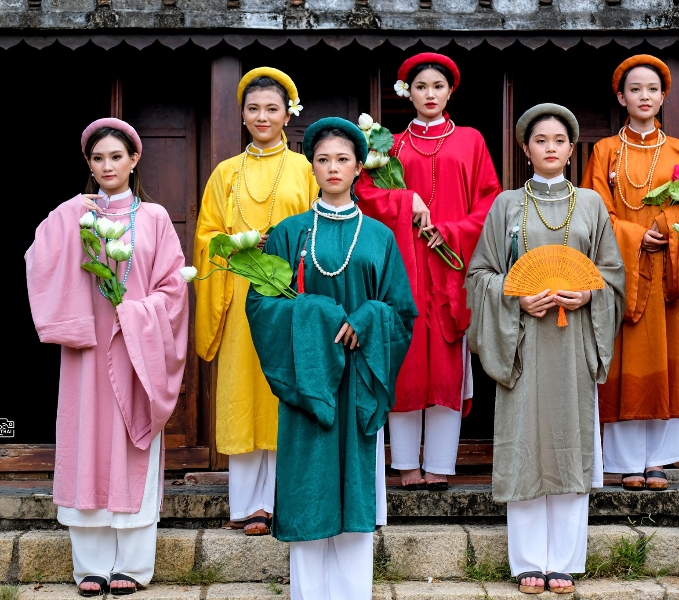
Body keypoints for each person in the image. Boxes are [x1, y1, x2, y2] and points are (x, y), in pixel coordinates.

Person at [245, 118, 417, 600]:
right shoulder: (289, 233)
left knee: (354, 481)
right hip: (308, 377)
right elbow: (261, 305)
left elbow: (401, 312)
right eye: (323, 159)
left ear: (360, 167)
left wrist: (368, 319)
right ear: (312, 167)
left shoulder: (380, 237)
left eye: (343, 159)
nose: (333, 167)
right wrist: (319, 316)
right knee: (308, 481)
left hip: (361, 376)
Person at [466, 104, 625, 595]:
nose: (550, 148)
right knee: (526, 442)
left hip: (574, 340)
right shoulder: (506, 205)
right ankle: (529, 560)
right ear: (525, 148)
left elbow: (613, 277)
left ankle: (565, 560)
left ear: (571, 149)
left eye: (559, 140)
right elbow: (480, 275)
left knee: (569, 442)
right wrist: (515, 296)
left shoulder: (593, 205)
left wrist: (589, 293)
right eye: (541, 140)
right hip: (525, 342)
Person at [25, 118, 188, 596]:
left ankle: (133, 567)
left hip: (136, 348)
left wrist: (134, 311)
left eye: (116, 157)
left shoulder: (154, 218)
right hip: (87, 350)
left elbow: (174, 288)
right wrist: (74, 214)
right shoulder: (74, 214)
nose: (107, 166)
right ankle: (90, 566)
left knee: (131, 443)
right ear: (88, 165)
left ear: (134, 160)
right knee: (86, 443)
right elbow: (38, 259)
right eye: (97, 159)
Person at [355, 52, 502, 490]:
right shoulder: (388, 147)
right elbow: (363, 192)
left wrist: (452, 230)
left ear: (450, 91)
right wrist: (406, 202)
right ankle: (405, 466)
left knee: (444, 367)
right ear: (407, 93)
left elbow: (490, 201)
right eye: (421, 87)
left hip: (450, 266)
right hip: (402, 269)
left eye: (438, 86)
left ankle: (440, 464)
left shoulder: (471, 140)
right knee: (404, 362)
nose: (430, 94)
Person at [193, 68, 319, 534]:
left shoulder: (307, 169)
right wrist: (238, 244)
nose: (262, 116)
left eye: (272, 108)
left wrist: (284, 251)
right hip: (239, 292)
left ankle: (283, 501)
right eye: (253, 109)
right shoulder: (225, 173)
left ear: (289, 114)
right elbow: (206, 237)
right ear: (242, 115)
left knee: (281, 389)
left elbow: (317, 230)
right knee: (243, 391)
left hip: (288, 293)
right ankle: (247, 505)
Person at [581, 55, 679, 490]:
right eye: (635, 89)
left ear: (663, 96)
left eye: (652, 89)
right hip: (624, 270)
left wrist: (665, 229)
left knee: (664, 358)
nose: (644, 96)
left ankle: (659, 460)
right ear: (621, 97)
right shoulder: (604, 151)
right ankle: (627, 461)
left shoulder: (678, 152)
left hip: (668, 271)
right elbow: (594, 209)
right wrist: (636, 236)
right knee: (623, 360)